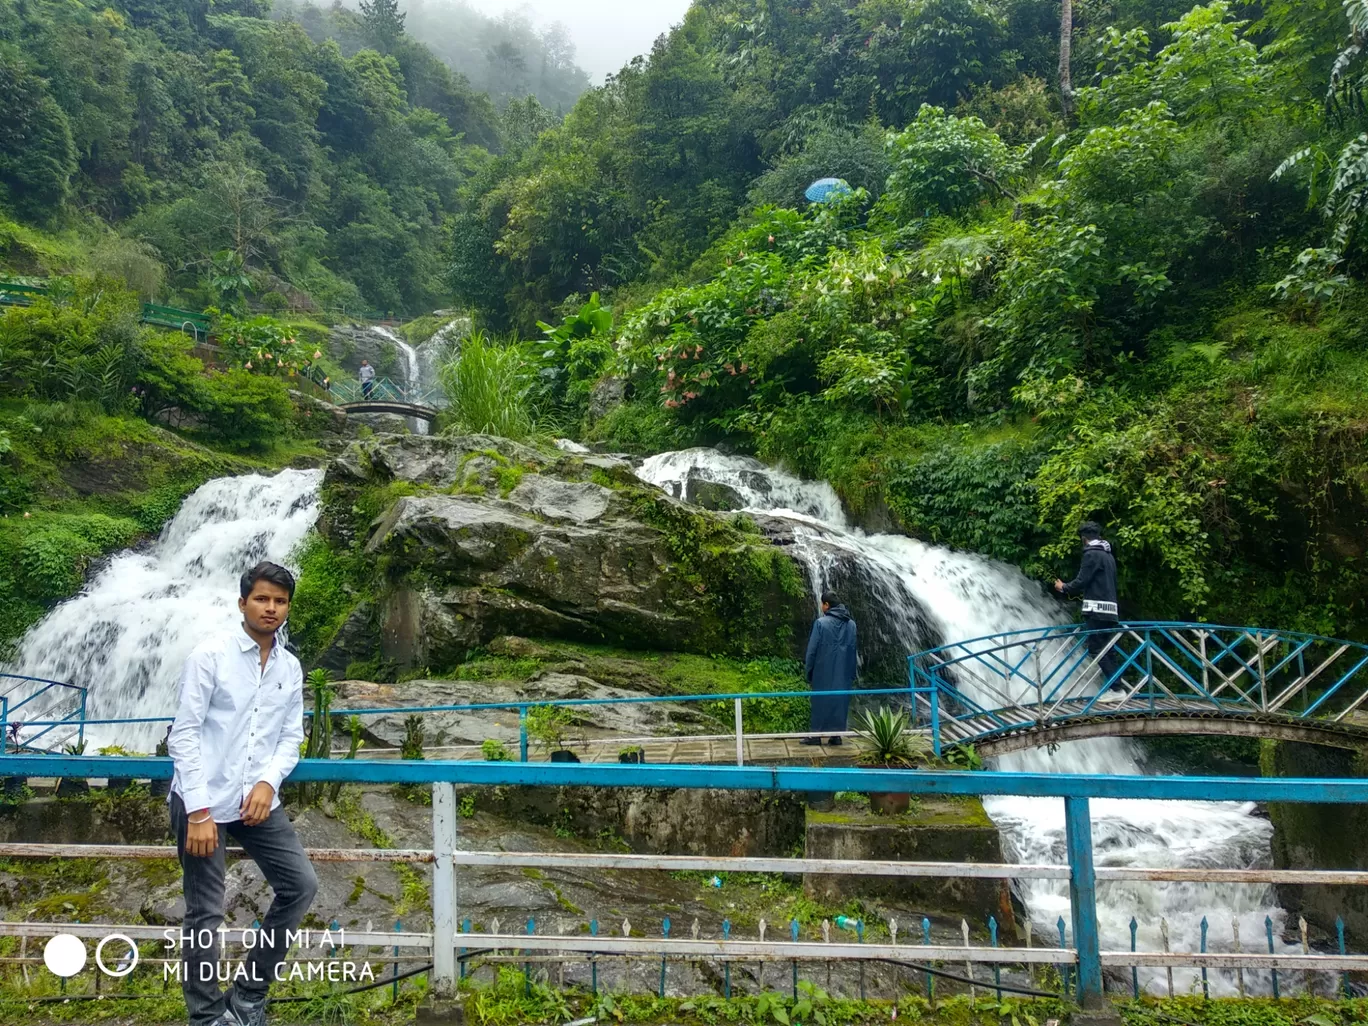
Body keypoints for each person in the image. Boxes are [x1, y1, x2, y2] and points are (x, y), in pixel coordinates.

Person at [167, 561, 317, 1026]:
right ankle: (207, 1016)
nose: (271, 608)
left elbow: (291, 736)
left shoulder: (290, 668)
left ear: (287, 608)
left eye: (280, 601)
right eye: (262, 599)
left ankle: (249, 994)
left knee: (300, 885)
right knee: (205, 913)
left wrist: (269, 781)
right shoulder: (209, 656)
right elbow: (184, 734)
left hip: (257, 802)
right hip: (203, 801)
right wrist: (197, 810)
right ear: (242, 603)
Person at [1054, 522, 1124, 699]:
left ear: (1084, 539)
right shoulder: (1108, 556)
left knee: (1096, 648)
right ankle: (1117, 687)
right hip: (1110, 609)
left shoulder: (1091, 554)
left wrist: (1064, 587)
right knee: (1108, 648)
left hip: (1096, 609)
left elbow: (1082, 581)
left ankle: (1116, 689)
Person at [802, 592, 858, 745]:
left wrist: (809, 671)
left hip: (822, 670)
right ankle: (836, 735)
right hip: (844, 671)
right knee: (840, 700)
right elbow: (853, 650)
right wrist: (852, 673)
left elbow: (812, 651)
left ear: (827, 605)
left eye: (822, 604)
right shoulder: (851, 624)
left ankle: (815, 736)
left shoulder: (821, 623)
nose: (821, 607)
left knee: (821, 700)